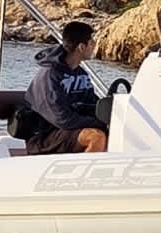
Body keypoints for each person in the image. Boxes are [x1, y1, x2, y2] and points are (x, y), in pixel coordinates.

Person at [24, 20, 107, 154]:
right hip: (44, 136)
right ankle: (84, 173)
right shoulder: (50, 75)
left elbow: (92, 104)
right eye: (92, 43)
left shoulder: (81, 74)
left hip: (66, 130)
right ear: (81, 47)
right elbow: (62, 119)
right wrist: (100, 124)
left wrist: (111, 117)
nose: (94, 46)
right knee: (96, 137)